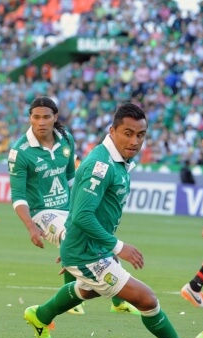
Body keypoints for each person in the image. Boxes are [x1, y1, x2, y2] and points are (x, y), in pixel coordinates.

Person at [23, 102, 203, 338]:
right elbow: (82, 215)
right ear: (113, 131)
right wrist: (117, 247)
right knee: (146, 298)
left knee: (89, 290)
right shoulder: (101, 166)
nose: (134, 141)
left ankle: (40, 315)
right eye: (128, 133)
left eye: (140, 135)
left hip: (89, 248)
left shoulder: (118, 160)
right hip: (88, 252)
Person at [8, 97, 139, 315]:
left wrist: (78, 208)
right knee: (70, 237)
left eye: (46, 117)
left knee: (100, 241)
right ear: (30, 118)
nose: (41, 122)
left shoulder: (66, 139)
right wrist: (30, 226)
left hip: (69, 208)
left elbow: (72, 178)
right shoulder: (20, 151)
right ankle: (74, 300)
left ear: (55, 117)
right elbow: (18, 194)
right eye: (36, 117)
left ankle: (117, 302)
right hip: (42, 213)